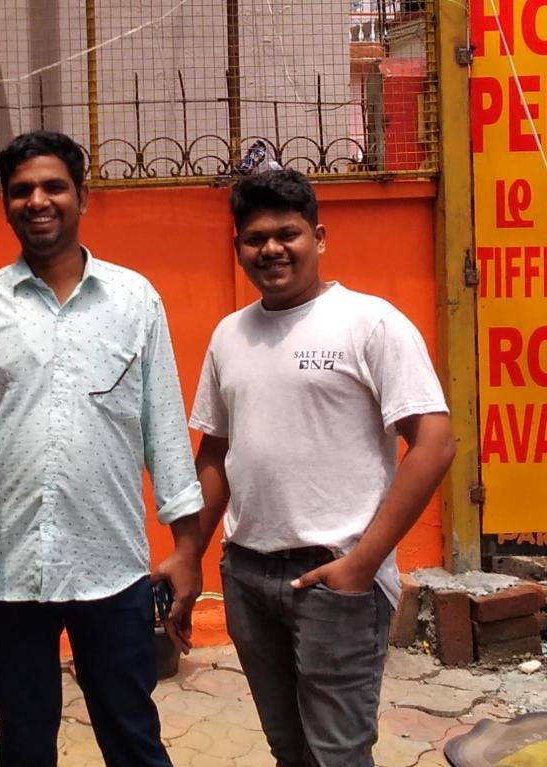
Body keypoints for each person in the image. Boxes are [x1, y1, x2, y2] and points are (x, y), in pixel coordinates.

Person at [0, 130, 205, 767]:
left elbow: (165, 433)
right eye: (21, 190)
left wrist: (187, 551)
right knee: (24, 744)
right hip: (3, 569)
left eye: (54, 187)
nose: (38, 201)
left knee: (133, 737)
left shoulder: (135, 301)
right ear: (5, 204)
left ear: (83, 196)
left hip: (111, 566)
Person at [190, 169, 455, 767]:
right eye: (255, 238)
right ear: (238, 247)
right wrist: (190, 556)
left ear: (319, 236)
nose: (271, 249)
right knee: (288, 748)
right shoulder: (230, 334)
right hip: (247, 574)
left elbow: (434, 443)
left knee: (338, 754)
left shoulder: (370, 322)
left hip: (334, 577)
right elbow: (215, 453)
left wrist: (362, 564)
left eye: (288, 234)